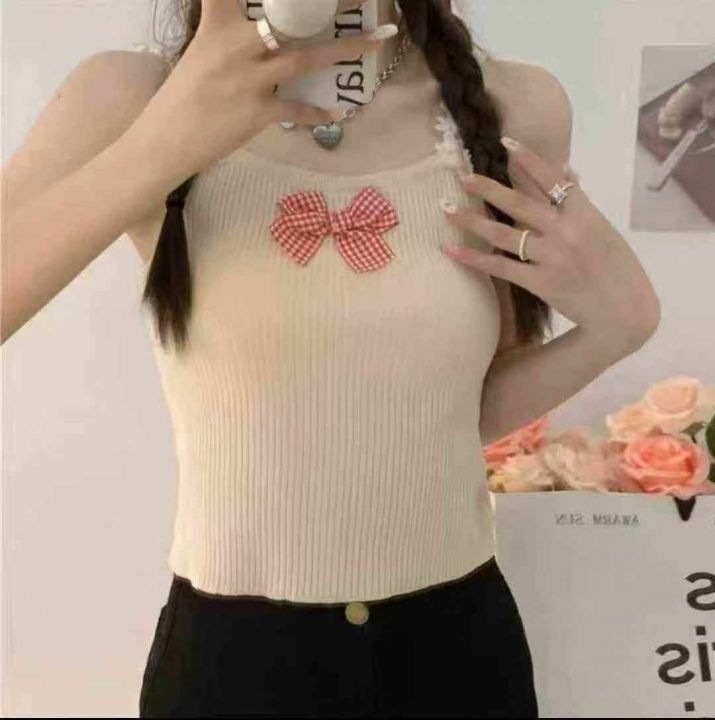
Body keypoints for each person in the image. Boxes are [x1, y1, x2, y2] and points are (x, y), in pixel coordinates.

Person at [2, 0, 661, 717]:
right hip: (231, 667)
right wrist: (168, 139)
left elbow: (452, 416)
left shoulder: (514, 106)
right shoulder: (133, 95)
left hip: (456, 654)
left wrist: (617, 330)